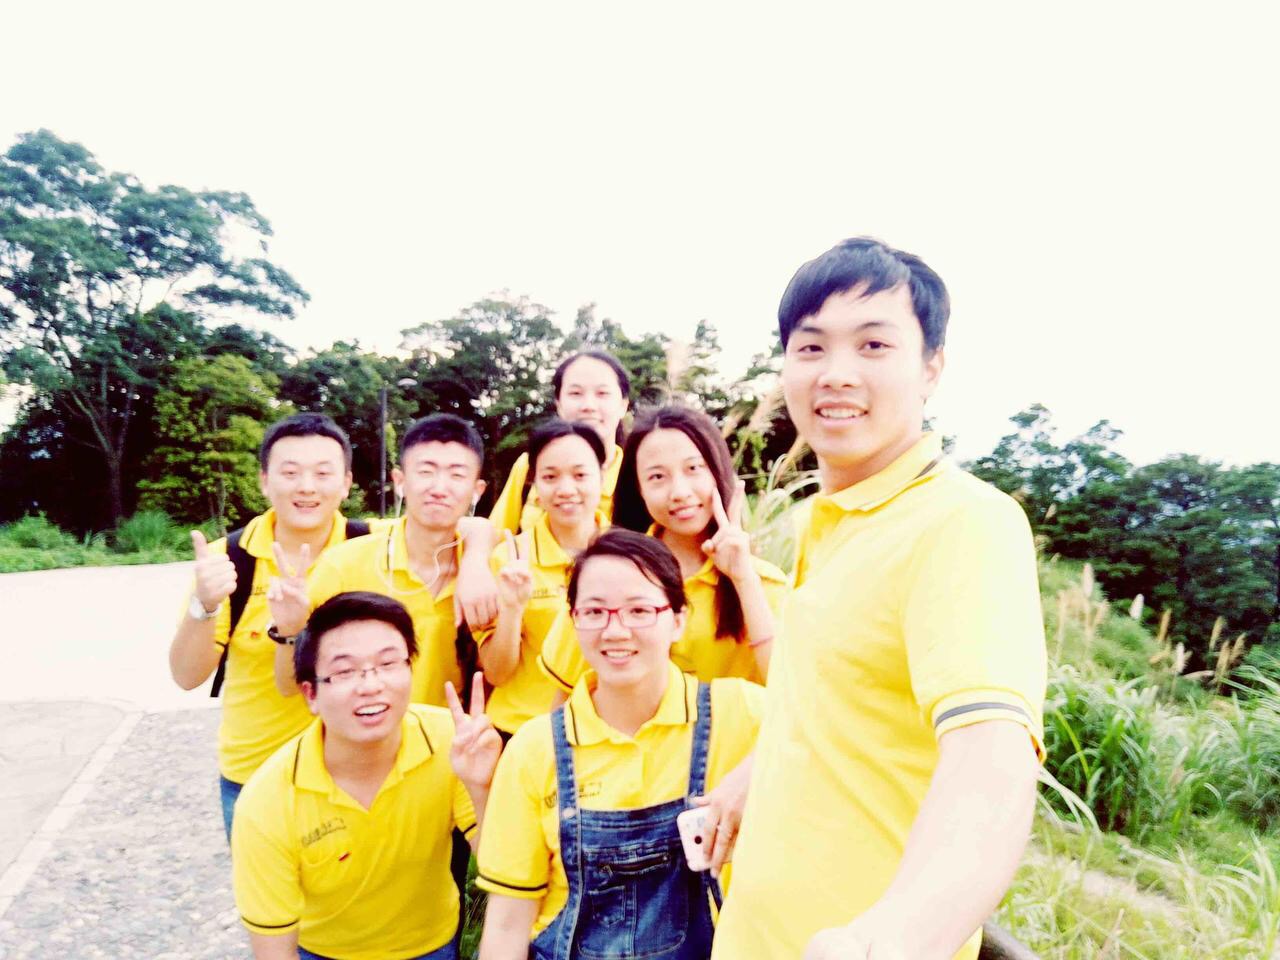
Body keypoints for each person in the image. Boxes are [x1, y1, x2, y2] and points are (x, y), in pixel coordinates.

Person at [709, 238, 1047, 960]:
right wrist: (752, 776)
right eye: (811, 347)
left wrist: (895, 937)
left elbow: (991, 756)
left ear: (931, 368)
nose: (837, 373)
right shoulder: (825, 520)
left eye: (873, 345)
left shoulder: (963, 521)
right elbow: (837, 703)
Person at [475, 529, 765, 960]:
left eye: (639, 610)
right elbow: (507, 922)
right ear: (573, 620)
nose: (615, 630)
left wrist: (755, 769)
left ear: (678, 619)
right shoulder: (535, 749)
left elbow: (826, 721)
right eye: (595, 611)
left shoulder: (741, 713)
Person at [232, 591, 501, 960]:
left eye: (388, 663)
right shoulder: (268, 801)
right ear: (310, 694)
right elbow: (274, 951)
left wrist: (481, 788)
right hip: (323, 953)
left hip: (433, 945)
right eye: (345, 671)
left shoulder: (451, 742)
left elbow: (500, 866)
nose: (371, 685)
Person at [168, 413, 371, 838]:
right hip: (258, 776)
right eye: (290, 472)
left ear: (346, 483)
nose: (307, 487)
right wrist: (205, 603)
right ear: (264, 480)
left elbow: (459, 526)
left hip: (360, 774)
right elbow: (187, 676)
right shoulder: (229, 559)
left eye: (322, 473)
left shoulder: (375, 547)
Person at [537, 405, 786, 693]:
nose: (679, 492)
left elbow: (788, 690)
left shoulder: (764, 582)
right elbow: (567, 694)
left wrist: (744, 580)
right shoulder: (602, 576)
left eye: (693, 469)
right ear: (638, 489)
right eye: (657, 477)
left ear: (717, 471)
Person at [267, 413, 489, 709]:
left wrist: (478, 559)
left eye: (457, 475)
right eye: (426, 471)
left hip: (453, 734)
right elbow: (288, 685)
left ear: (477, 490)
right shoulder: (344, 565)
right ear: (400, 481)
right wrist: (290, 628)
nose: (439, 488)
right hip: (365, 732)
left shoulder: (489, 571)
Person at [474, 419, 609, 739]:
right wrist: (512, 608)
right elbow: (496, 673)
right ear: (534, 482)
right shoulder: (508, 558)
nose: (566, 489)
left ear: (602, 478)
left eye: (580, 475)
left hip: (603, 731)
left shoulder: (629, 555)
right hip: (521, 731)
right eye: (550, 477)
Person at [488, 350, 630, 534]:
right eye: (575, 393)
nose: (588, 406)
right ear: (559, 405)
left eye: (602, 393)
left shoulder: (637, 474)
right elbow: (496, 536)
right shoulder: (529, 465)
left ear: (623, 405)